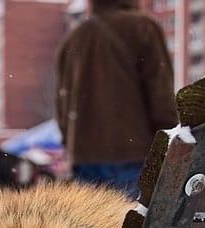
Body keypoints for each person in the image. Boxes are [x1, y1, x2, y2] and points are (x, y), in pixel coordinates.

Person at [56, 0, 176, 195]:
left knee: (92, 215)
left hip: (84, 158)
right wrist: (171, 140)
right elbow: (160, 95)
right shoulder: (143, 28)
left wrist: (71, 144)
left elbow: (62, 105)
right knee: (131, 213)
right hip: (132, 153)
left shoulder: (75, 37)